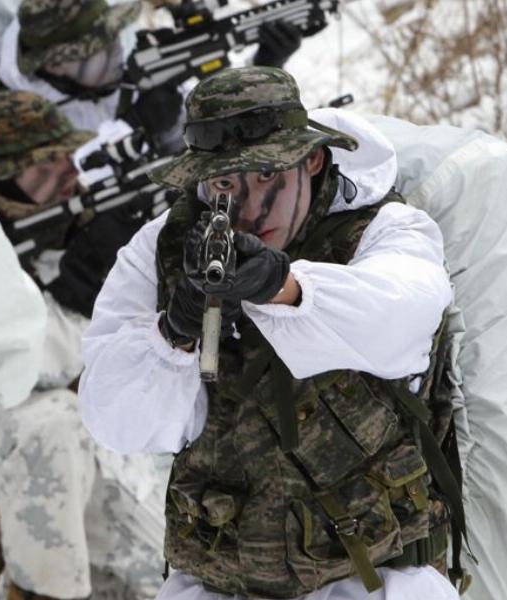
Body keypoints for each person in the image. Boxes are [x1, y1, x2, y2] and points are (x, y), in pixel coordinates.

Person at [79, 66, 462, 599]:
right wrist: (175, 332)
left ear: (312, 160)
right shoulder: (161, 251)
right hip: (218, 583)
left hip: (373, 580)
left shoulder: (383, 229)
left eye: (265, 176)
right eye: (224, 184)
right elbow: (113, 420)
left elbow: (404, 317)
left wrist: (284, 287)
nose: (248, 208)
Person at [0, 90, 169, 600]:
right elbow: (20, 358)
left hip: (95, 424)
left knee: (155, 576)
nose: (68, 172)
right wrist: (77, 295)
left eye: (68, 157)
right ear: (3, 176)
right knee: (55, 427)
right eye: (46, 165)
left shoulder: (78, 218)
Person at [0, 0, 306, 152]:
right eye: (101, 48)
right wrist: (135, 132)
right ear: (57, 65)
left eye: (115, 36)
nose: (119, 49)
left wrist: (263, 70)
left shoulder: (109, 71)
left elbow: (216, 133)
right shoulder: (21, 117)